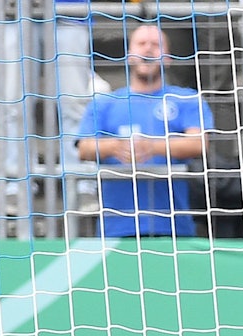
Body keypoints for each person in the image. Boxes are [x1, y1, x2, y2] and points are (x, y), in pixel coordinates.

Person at [76, 24, 213, 238]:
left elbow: (199, 143)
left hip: (174, 226)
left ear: (167, 58)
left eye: (156, 45)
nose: (148, 49)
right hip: (116, 226)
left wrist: (151, 147)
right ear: (130, 55)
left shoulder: (187, 99)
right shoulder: (105, 103)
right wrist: (115, 146)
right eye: (141, 44)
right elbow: (83, 148)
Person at [0, 0, 99, 213]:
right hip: (14, 12)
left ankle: (81, 181)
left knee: (74, 104)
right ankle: (16, 182)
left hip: (70, 13)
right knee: (14, 106)